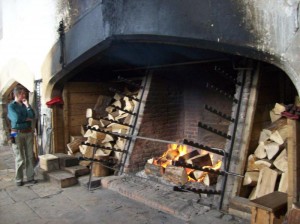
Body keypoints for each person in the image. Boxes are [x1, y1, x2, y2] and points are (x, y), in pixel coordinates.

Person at [7, 86, 37, 186]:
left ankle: (30, 177)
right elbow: (15, 119)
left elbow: (32, 115)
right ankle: (19, 179)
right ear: (17, 94)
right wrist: (26, 118)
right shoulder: (11, 106)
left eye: (24, 93)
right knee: (19, 157)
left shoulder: (25, 105)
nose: (25, 95)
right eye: (23, 94)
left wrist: (28, 105)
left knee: (30, 156)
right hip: (16, 133)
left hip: (28, 132)